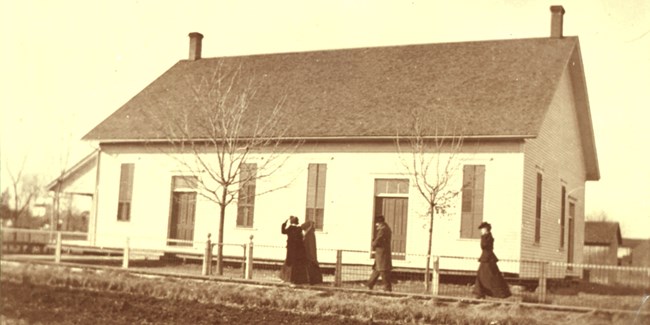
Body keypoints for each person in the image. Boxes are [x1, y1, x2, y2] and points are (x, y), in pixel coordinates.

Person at [473, 221, 511, 299]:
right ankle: (480, 293)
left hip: (488, 258)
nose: (481, 231)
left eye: (482, 229)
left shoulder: (488, 237)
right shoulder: (486, 236)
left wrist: (483, 237)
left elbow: (484, 245)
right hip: (485, 258)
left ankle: (501, 293)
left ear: (486, 229)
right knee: (481, 275)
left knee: (491, 275)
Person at [280, 216, 309, 284]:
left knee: (289, 263)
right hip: (298, 250)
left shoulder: (290, 228)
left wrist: (285, 222)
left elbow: (283, 231)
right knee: (296, 265)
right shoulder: (299, 229)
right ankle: (295, 280)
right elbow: (301, 239)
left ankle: (287, 279)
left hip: (290, 249)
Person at [367, 215, 392, 292]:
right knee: (377, 269)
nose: (376, 225)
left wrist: (373, 243)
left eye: (377, 223)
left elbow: (377, 241)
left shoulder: (382, 230)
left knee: (382, 270)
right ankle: (369, 285)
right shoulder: (387, 228)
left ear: (379, 222)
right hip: (383, 253)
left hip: (382, 253)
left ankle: (387, 288)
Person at [301, 220, 323, 284]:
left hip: (309, 255)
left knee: (311, 268)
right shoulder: (310, 233)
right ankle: (314, 280)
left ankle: (313, 281)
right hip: (309, 254)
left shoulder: (309, 234)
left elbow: (309, 245)